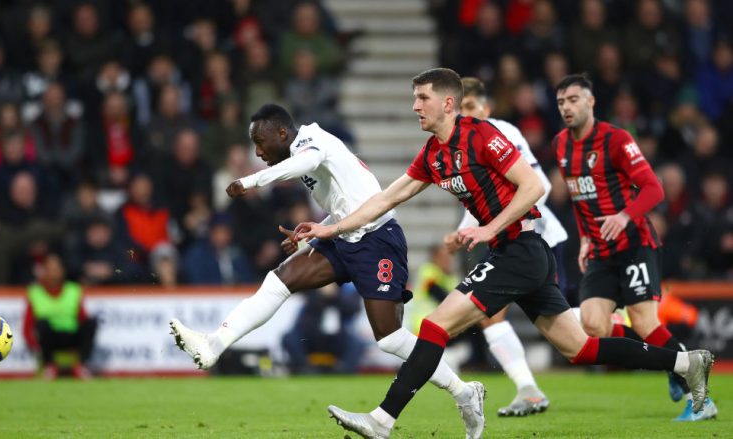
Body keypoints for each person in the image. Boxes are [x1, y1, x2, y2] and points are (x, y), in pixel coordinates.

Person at [295, 68, 714, 439]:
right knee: (580, 348)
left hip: (520, 249)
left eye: (422, 98)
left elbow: (532, 186)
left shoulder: (481, 136)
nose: (414, 106)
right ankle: (685, 364)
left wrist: (489, 228)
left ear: (447, 103)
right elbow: (387, 199)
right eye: (414, 98)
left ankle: (383, 421)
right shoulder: (433, 154)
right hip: (517, 252)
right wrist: (330, 227)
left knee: (436, 325)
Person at [169, 104, 484, 436]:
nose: (258, 151)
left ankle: (464, 392)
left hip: (377, 239)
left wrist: (251, 180)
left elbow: (305, 163)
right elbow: (348, 199)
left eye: (261, 142)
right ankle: (214, 345)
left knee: (390, 339)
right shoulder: (306, 146)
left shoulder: (310, 140)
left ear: (282, 133)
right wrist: (316, 229)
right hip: (342, 234)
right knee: (278, 281)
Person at [553, 74, 717, 421]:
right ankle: (674, 366)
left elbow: (654, 189)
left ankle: (701, 399)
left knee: (644, 322)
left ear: (591, 101)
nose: (567, 107)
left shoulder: (615, 139)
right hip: (599, 250)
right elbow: (581, 198)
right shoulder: (561, 145)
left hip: (634, 244)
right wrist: (584, 237)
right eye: (561, 102)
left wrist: (625, 216)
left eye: (573, 100)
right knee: (593, 324)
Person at [440, 76, 569, 416]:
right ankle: (528, 389)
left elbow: (536, 183)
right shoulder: (463, 143)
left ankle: (628, 326)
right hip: (507, 241)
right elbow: (483, 199)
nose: (465, 114)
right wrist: (464, 231)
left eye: (471, 107)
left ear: (486, 107)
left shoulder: (501, 132)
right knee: (492, 317)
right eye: (461, 107)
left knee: (582, 329)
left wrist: (480, 229)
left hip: (536, 238)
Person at [22, 253, 97, 380]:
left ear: (63, 271)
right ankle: (49, 365)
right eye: (50, 269)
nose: (53, 273)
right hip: (50, 339)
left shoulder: (73, 290)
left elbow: (82, 318)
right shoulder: (35, 293)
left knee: (91, 322)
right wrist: (35, 347)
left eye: (56, 269)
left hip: (71, 335)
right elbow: (27, 326)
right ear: (44, 271)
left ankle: (80, 365)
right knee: (42, 324)